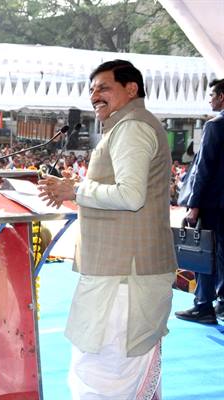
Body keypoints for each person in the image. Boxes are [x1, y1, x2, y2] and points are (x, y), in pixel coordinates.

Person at [38, 60, 176, 399]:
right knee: (111, 368)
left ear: (131, 89)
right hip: (121, 273)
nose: (94, 96)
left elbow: (130, 195)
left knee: (104, 372)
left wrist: (75, 190)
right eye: (91, 90)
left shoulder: (132, 127)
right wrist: (75, 186)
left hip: (125, 277)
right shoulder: (125, 126)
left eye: (103, 87)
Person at [175, 78, 224, 324]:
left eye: (212, 95)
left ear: (222, 97)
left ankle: (203, 305)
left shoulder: (215, 126)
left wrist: (194, 205)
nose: (209, 100)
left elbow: (203, 168)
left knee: (206, 253)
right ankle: (222, 302)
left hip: (213, 203)